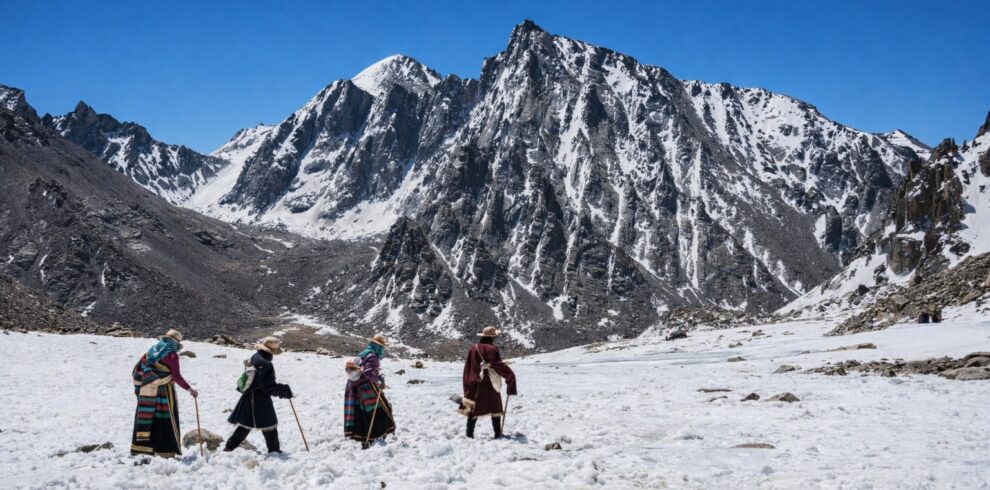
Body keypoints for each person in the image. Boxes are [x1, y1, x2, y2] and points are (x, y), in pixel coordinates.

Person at [130, 329, 198, 457]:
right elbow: (176, 376)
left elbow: (137, 370)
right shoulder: (172, 355)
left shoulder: (150, 352)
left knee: (149, 416)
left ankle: (143, 448)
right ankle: (165, 450)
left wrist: (147, 382)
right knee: (165, 417)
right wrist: (190, 389)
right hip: (164, 391)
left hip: (148, 390)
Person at [223, 337, 293, 453]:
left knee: (246, 423)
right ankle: (274, 450)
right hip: (260, 399)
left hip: (249, 396)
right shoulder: (265, 364)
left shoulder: (257, 356)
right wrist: (283, 390)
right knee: (269, 423)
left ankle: (229, 447)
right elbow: (268, 386)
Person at [462, 326, 517, 439]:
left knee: (474, 407)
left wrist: (469, 380)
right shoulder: (492, 349)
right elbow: (497, 365)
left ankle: (469, 434)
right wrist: (510, 376)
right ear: (492, 337)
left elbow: (469, 366)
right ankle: (497, 433)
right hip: (489, 383)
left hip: (475, 382)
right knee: (495, 406)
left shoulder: (473, 348)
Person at [344, 334, 396, 448]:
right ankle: (375, 435)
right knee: (380, 408)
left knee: (362, 411)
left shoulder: (364, 353)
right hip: (365, 387)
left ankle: (364, 437)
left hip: (354, 386)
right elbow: (368, 373)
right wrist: (379, 379)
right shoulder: (373, 357)